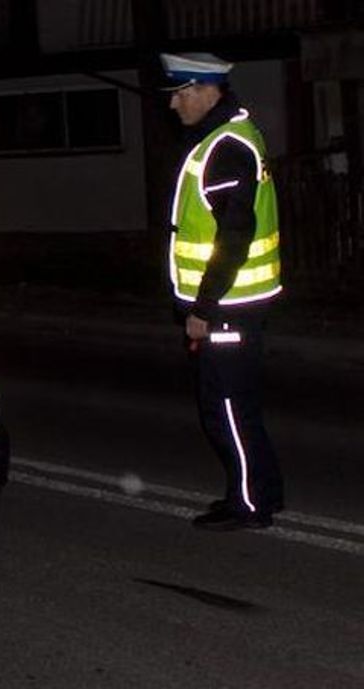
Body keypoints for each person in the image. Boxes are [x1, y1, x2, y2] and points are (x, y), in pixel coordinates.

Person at [161, 52, 284, 531]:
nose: (174, 104)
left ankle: (251, 505)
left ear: (206, 90)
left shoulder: (225, 148)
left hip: (228, 308)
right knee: (234, 406)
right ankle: (257, 493)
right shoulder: (228, 137)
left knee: (228, 410)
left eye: (180, 92)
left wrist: (202, 309)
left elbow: (231, 237)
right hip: (235, 304)